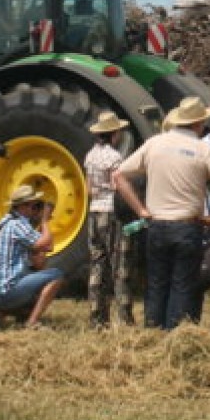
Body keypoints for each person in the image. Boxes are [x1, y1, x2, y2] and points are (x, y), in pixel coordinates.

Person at [115, 96, 210, 330]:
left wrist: (141, 210)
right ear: (199, 124)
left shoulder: (155, 144)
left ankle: (153, 332)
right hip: (187, 226)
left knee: (156, 285)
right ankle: (176, 335)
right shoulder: (203, 149)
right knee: (182, 285)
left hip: (156, 225)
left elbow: (118, 176)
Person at [0, 184, 66, 329]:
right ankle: (31, 323)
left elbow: (39, 262)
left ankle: (0, 313)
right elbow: (47, 245)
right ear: (24, 207)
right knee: (56, 275)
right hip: (5, 292)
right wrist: (44, 221)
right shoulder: (18, 225)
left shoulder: (4, 222)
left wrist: (38, 224)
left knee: (35, 274)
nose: (36, 210)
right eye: (35, 206)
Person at [83, 110, 137, 329]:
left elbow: (88, 189)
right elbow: (118, 185)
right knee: (120, 265)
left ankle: (97, 318)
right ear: (114, 134)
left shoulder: (90, 155)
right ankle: (125, 318)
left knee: (97, 263)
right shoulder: (114, 157)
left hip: (94, 212)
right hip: (112, 211)